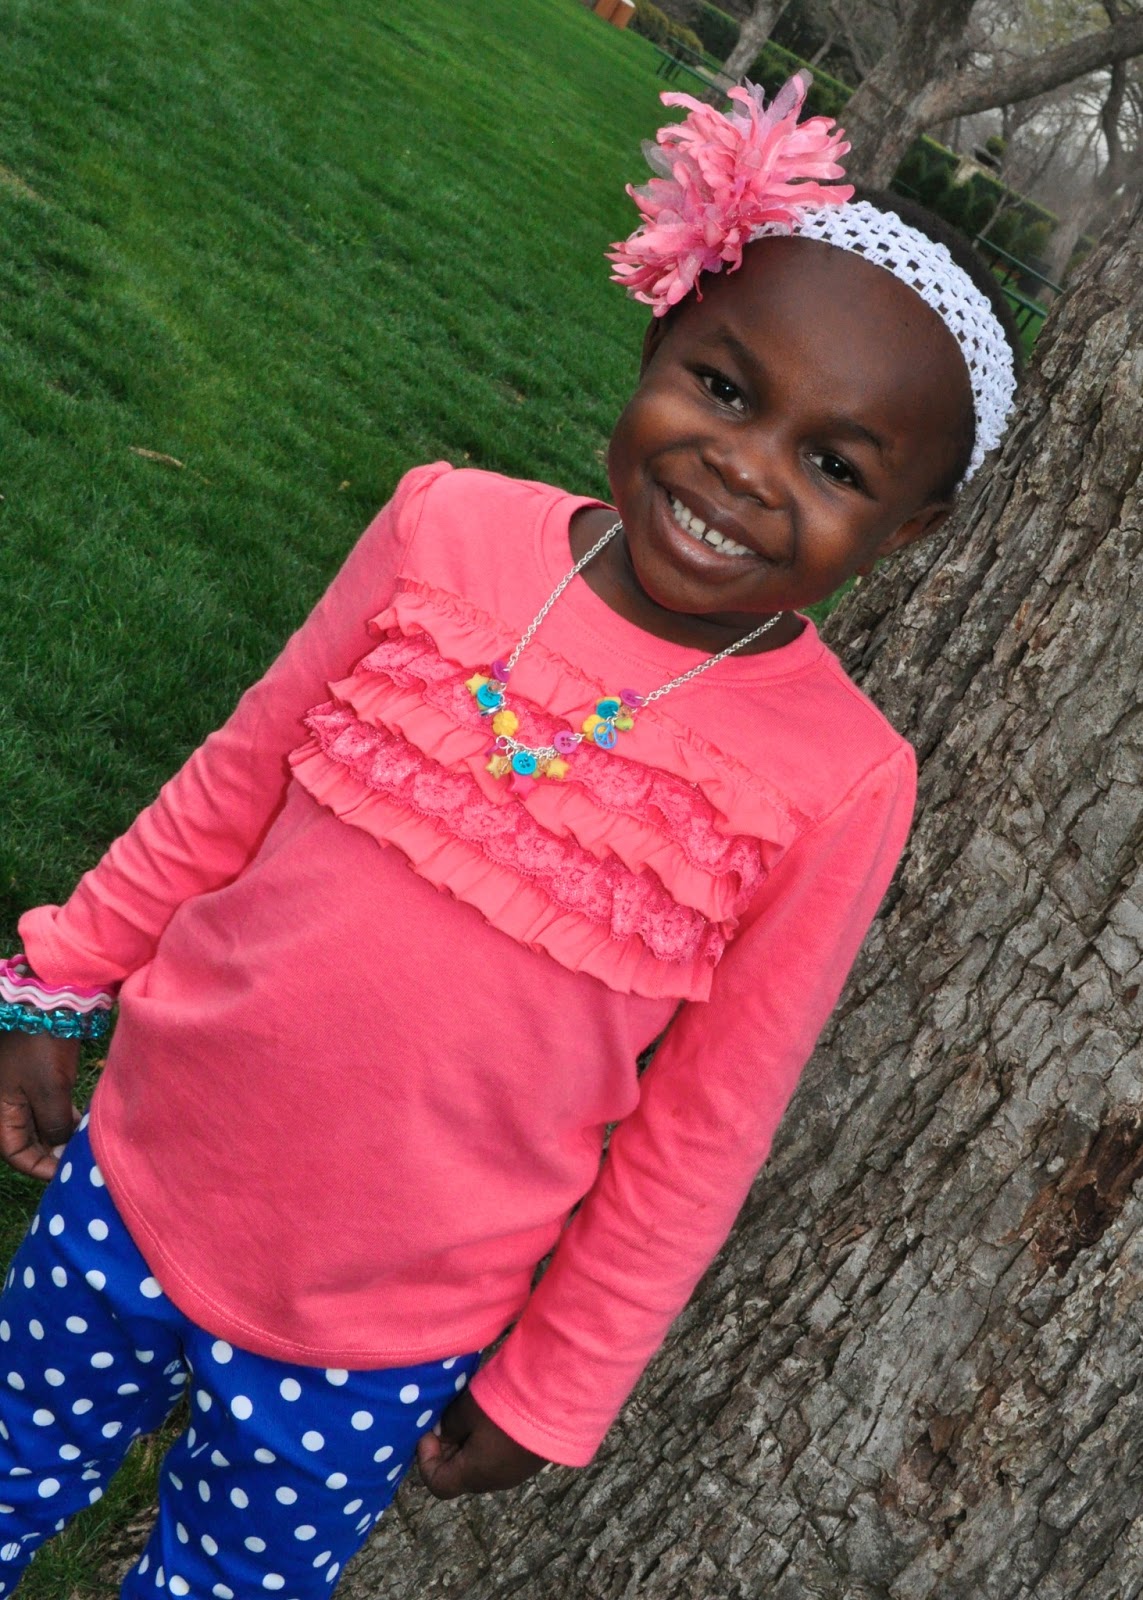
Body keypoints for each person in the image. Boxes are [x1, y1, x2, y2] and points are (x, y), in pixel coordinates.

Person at [0, 74, 1019, 1599]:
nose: (747, 467)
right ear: (659, 338)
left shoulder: (843, 781)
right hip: (141, 1170)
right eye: (726, 387)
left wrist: (556, 1384)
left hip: (380, 1337)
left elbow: (706, 1125)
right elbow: (237, 775)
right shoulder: (447, 528)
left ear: (907, 532)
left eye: (836, 466)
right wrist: (60, 978)